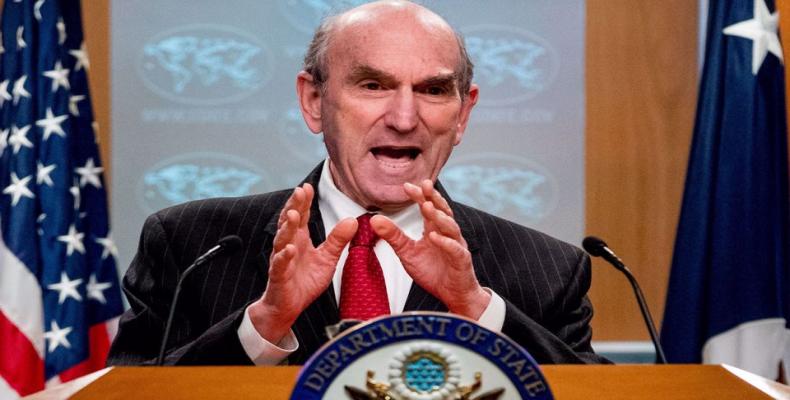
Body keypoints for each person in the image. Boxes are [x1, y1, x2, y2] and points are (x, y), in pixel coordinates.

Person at [107, 0, 607, 366]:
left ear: (462, 115)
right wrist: (261, 327)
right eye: (373, 85)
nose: (405, 117)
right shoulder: (193, 245)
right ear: (313, 101)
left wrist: (477, 311)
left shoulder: (547, 271)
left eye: (433, 90)